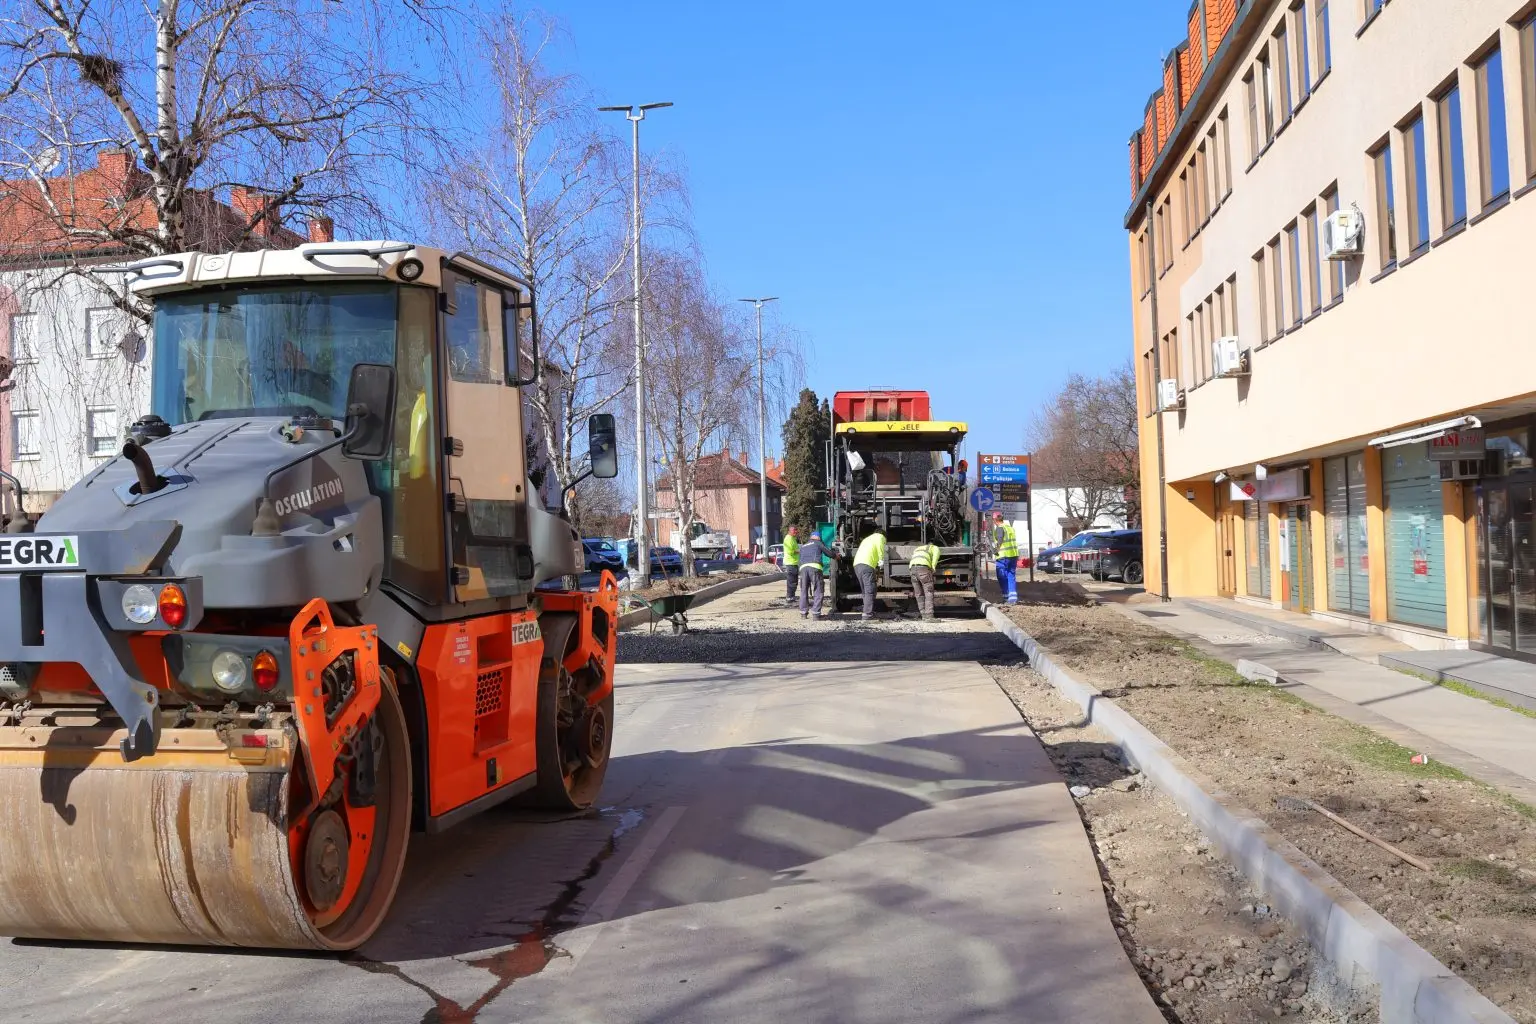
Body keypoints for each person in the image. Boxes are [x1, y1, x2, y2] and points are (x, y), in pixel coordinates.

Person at [852, 526, 887, 621]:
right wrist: (881, 561)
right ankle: (867, 615)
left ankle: (867, 611)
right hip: (867, 564)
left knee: (865, 591)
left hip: (857, 565)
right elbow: (880, 549)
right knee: (870, 590)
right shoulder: (880, 537)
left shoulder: (867, 539)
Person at [797, 530, 827, 619]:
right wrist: (835, 556)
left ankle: (803, 613)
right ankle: (816, 614)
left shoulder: (803, 546)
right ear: (818, 537)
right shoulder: (818, 543)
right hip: (814, 567)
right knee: (818, 590)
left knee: (803, 591)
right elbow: (827, 552)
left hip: (803, 568)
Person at [908, 538, 941, 621]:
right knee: (928, 592)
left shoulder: (918, 548)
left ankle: (923, 615)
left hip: (912, 569)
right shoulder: (935, 548)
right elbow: (935, 559)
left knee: (918, 593)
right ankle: (929, 616)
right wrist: (933, 568)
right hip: (923, 569)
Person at [992, 511, 1019, 605]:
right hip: (1014, 555)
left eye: (993, 520)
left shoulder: (1000, 528)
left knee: (1001, 576)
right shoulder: (1009, 528)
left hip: (1003, 556)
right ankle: (1012, 599)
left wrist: (995, 550)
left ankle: (1006, 596)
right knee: (1011, 575)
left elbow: (1000, 540)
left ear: (995, 520)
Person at [782, 526, 801, 603]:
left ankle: (792, 596)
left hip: (794, 562)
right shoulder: (788, 539)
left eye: (796, 530)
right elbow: (790, 551)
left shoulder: (792, 538)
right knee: (792, 581)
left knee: (794, 580)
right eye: (794, 530)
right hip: (790, 563)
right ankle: (790, 597)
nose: (796, 532)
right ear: (790, 531)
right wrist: (800, 551)